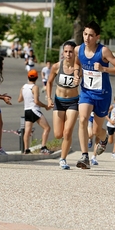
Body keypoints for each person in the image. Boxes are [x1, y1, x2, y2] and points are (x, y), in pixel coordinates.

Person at [73, 20, 115, 169]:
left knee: (96, 131)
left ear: (97, 37)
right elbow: (77, 63)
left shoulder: (103, 51)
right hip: (86, 92)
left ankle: (104, 137)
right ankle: (84, 156)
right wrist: (77, 74)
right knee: (82, 119)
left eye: (90, 35)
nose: (87, 38)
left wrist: (104, 69)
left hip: (102, 94)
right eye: (85, 34)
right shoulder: (78, 50)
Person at [46, 41, 79, 169]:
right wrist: (49, 98)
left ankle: (63, 159)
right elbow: (49, 82)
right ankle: (63, 156)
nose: (68, 54)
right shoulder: (56, 66)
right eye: (66, 51)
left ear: (74, 53)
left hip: (73, 102)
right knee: (58, 134)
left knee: (67, 132)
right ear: (62, 52)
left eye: (71, 52)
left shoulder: (79, 68)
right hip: (59, 101)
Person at [18, 69, 51, 155]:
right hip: (34, 109)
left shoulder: (23, 87)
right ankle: (43, 147)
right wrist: (45, 106)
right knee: (47, 128)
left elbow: (20, 99)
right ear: (36, 77)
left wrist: (26, 97)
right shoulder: (35, 87)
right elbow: (36, 101)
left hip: (27, 110)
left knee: (27, 131)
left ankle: (26, 149)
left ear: (28, 77)